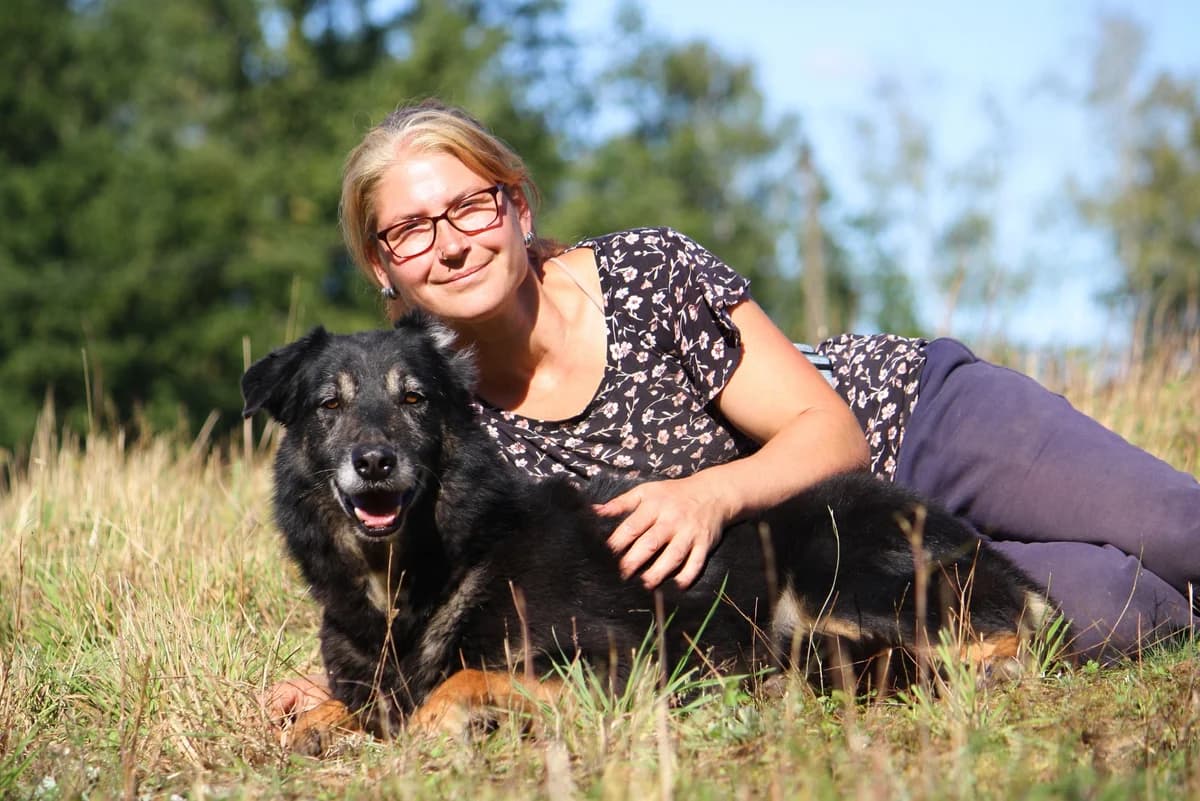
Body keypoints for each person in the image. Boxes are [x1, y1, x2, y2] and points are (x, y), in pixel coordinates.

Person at [266, 98, 1199, 719]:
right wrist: (350, 681)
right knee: (1109, 604)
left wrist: (706, 495)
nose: (451, 242)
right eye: (411, 229)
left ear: (514, 206)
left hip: (908, 424)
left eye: (469, 207)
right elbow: (435, 578)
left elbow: (831, 432)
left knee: (1176, 529)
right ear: (383, 266)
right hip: (805, 554)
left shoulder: (643, 274)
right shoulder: (445, 419)